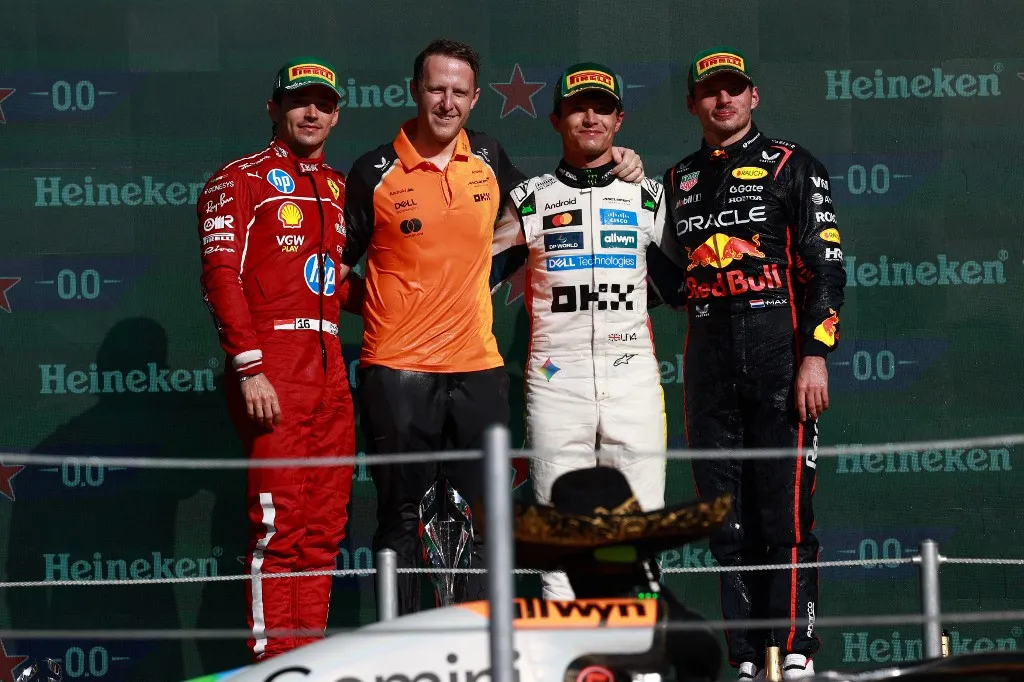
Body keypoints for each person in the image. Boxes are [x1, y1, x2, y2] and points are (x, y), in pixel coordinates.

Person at [338, 39, 645, 616]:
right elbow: (329, 272)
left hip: (478, 371)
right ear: (415, 91)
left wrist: (621, 164)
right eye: (436, 89)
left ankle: (477, 653)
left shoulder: (489, 154)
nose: (447, 103)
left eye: (459, 92)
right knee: (401, 520)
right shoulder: (373, 171)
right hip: (397, 371)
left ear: (476, 99)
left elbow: (549, 209)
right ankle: (404, 658)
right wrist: (383, 304)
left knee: (484, 517)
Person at [662, 46, 846, 679]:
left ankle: (794, 652)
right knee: (726, 523)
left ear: (753, 96)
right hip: (708, 364)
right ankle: (744, 657)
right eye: (711, 92)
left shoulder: (794, 165)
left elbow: (827, 268)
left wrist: (815, 356)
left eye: (735, 89)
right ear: (693, 104)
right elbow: (665, 278)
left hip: (779, 357)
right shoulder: (676, 178)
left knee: (787, 515)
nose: (724, 100)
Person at [490, 61, 686, 601]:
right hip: (556, 376)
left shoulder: (648, 194)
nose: (590, 116)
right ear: (556, 119)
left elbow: (683, 285)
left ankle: (639, 664)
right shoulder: (530, 197)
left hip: (633, 377)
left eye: (602, 106)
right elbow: (475, 272)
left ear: (619, 120)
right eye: (578, 107)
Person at [197, 56, 364, 660]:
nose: (311, 112)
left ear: (337, 114)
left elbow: (343, 286)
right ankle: (274, 666)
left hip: (329, 375)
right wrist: (249, 365)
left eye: (323, 102)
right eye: (299, 101)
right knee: (278, 528)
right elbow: (220, 276)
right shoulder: (240, 178)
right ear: (274, 109)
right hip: (274, 368)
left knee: (322, 532)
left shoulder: (345, 188)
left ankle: (307, 660)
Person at [513, 466, 731, 682]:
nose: (599, 568)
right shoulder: (543, 635)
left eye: (618, 552)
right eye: (580, 557)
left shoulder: (665, 619)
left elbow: (702, 646)